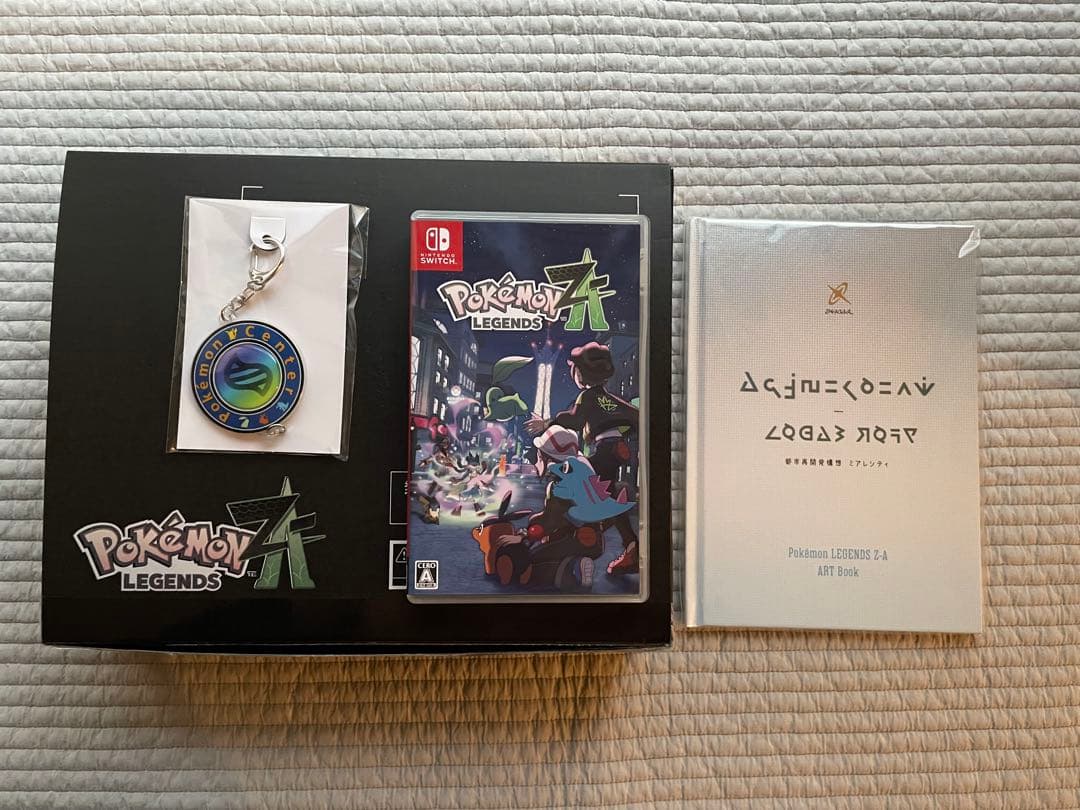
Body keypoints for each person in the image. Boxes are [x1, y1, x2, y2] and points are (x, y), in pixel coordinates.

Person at [525, 342, 640, 575]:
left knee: (572, 480)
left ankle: (568, 528)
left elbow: (575, 420)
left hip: (604, 448)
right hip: (613, 449)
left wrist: (548, 423)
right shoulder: (607, 398)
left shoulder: (587, 396)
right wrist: (621, 435)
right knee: (606, 495)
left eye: (575, 370)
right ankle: (630, 547)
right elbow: (636, 416)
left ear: (581, 372)